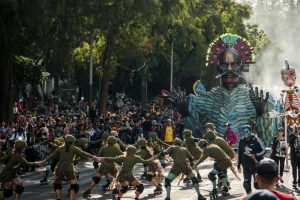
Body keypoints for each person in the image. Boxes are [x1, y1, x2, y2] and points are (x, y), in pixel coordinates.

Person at [43, 135, 99, 200]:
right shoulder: (74, 148)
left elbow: (51, 156)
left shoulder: (60, 148)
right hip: (69, 168)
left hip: (59, 167)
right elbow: (83, 153)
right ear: (72, 142)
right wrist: (93, 156)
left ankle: (58, 198)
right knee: (74, 185)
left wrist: (43, 161)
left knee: (57, 184)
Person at [237, 125, 265, 194]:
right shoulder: (241, 141)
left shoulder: (256, 139)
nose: (245, 133)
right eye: (244, 131)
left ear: (250, 131)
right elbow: (239, 153)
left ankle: (260, 197)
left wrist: (255, 155)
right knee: (246, 184)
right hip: (246, 166)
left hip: (256, 165)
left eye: (247, 131)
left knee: (258, 185)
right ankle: (249, 197)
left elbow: (264, 150)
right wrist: (238, 164)